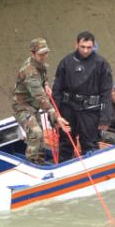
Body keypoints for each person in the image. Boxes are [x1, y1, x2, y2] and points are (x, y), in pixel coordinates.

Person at [52, 31, 112, 160]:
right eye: (82, 47)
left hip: (90, 111)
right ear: (76, 45)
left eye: (89, 47)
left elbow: (107, 92)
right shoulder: (66, 62)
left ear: (94, 46)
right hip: (68, 108)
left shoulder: (101, 64)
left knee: (89, 144)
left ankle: (93, 171)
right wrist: (55, 116)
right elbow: (56, 90)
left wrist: (105, 117)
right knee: (65, 142)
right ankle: (63, 171)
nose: (85, 51)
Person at [12, 37, 68, 165]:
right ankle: (31, 163)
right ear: (32, 54)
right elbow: (40, 97)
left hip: (34, 106)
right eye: (40, 54)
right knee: (36, 133)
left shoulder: (39, 65)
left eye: (45, 53)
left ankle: (40, 161)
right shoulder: (29, 72)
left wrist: (46, 84)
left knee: (40, 138)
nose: (44, 56)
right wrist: (54, 114)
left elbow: (43, 78)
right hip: (23, 107)